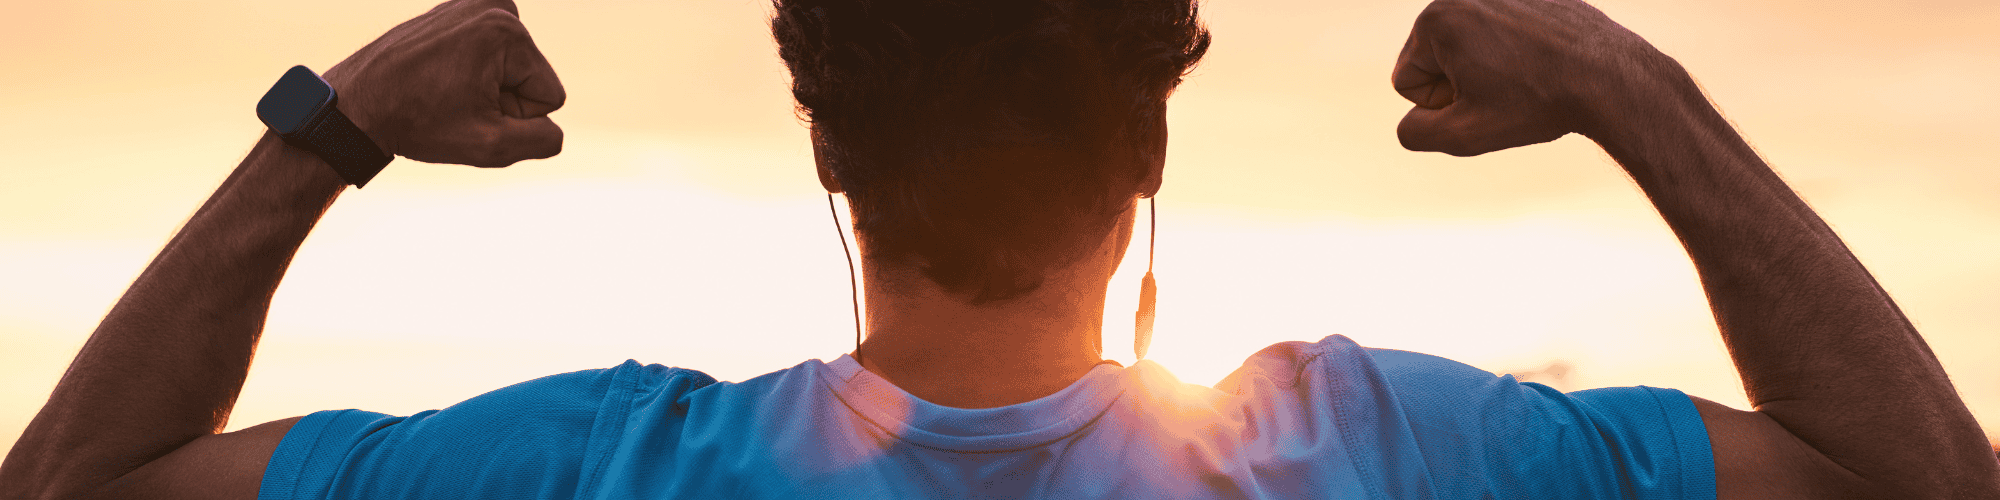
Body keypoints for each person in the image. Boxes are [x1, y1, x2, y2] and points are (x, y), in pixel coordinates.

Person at [3, 0, 1995, 497]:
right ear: (1148, 158)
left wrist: (328, 129)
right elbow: (1921, 475)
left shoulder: (603, 463)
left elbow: (71, 482)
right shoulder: (1380, 444)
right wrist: (1626, 84)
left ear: (824, 148)